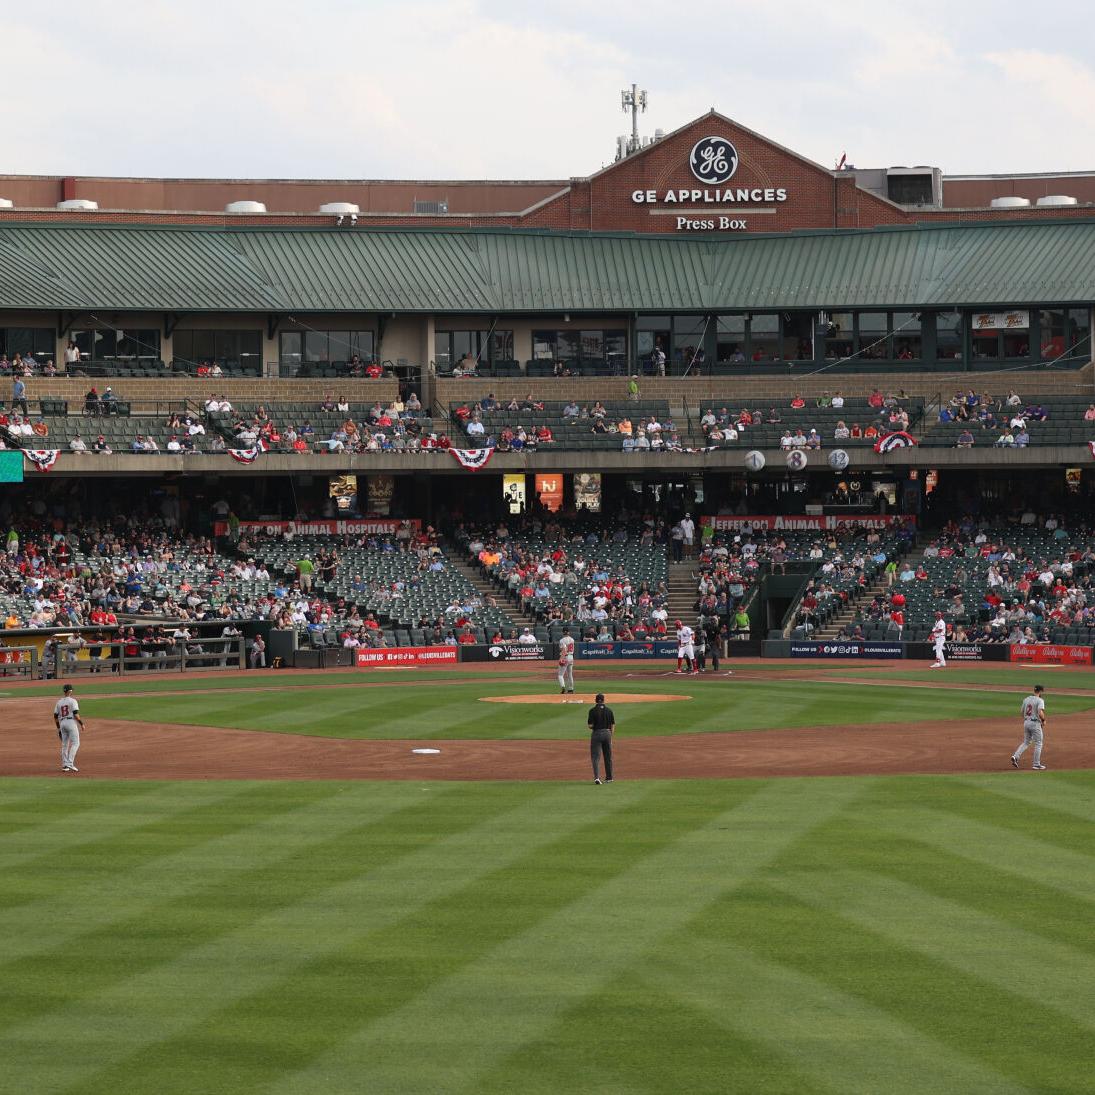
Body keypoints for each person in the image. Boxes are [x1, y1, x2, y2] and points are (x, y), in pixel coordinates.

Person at [1011, 684, 1047, 770]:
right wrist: (1043, 720)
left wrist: (1028, 720)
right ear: (1040, 691)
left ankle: (1015, 756)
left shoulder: (1026, 699)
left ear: (1034, 690)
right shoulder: (1040, 700)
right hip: (1035, 724)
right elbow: (1040, 712)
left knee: (1026, 742)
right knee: (1038, 743)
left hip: (1026, 722)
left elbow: (1021, 712)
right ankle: (1036, 764)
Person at [53, 683, 84, 773]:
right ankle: (70, 763)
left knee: (64, 745)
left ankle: (65, 765)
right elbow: (75, 714)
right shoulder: (73, 701)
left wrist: (58, 728)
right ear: (70, 691)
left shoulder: (59, 702)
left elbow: (55, 716)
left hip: (62, 723)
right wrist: (81, 723)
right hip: (71, 722)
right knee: (76, 743)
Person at [587, 692, 615, 784]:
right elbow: (612, 725)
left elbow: (590, 725)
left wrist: (594, 725)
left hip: (597, 734)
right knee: (608, 756)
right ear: (603, 700)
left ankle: (597, 778)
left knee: (595, 757)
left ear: (596, 700)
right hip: (607, 733)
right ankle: (609, 777)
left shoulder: (592, 711)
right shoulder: (609, 710)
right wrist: (610, 735)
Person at [557, 625, 575, 694]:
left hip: (565, 656)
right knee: (570, 674)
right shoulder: (572, 639)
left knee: (560, 675)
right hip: (571, 657)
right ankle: (571, 689)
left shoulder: (562, 640)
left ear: (563, 632)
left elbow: (564, 650)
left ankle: (563, 687)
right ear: (568, 632)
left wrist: (561, 658)